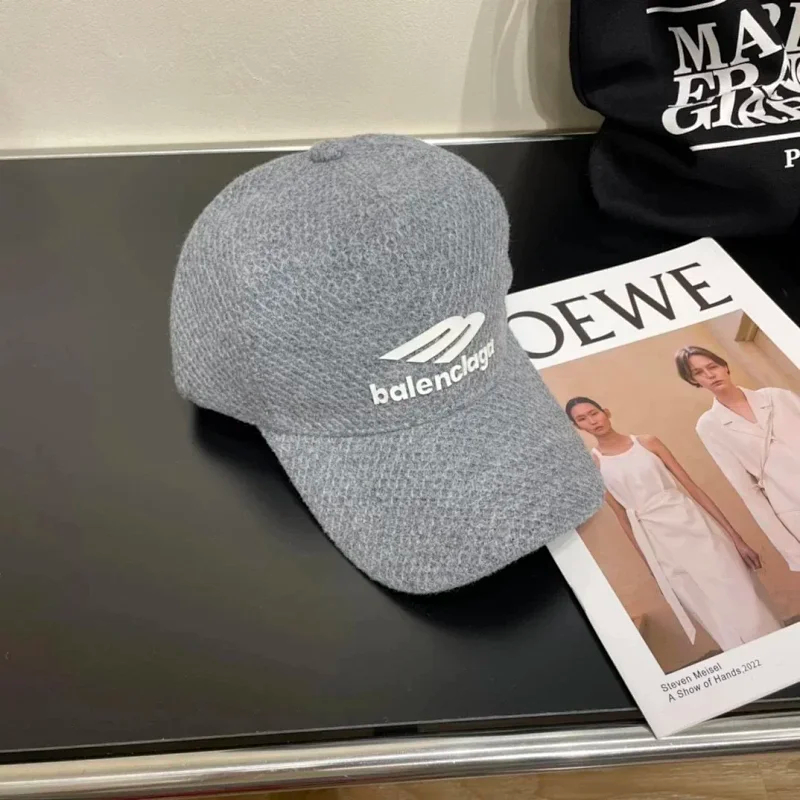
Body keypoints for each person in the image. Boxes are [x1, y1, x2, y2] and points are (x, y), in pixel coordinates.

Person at [566, 396, 781, 651]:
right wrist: (652, 568)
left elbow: (692, 487)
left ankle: (778, 649)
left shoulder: (647, 442)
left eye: (594, 413)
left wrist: (737, 539)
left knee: (737, 589)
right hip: (657, 541)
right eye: (582, 419)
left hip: (692, 523)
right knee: (706, 605)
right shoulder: (594, 465)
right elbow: (622, 516)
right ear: (577, 427)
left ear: (606, 412)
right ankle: (746, 661)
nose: (592, 421)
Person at [676, 345, 800, 572]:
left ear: (725, 367)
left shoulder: (777, 397)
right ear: (693, 381)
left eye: (712, 367)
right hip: (791, 507)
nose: (710, 375)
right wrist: (792, 551)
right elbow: (747, 490)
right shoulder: (710, 426)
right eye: (699, 373)